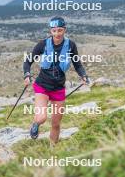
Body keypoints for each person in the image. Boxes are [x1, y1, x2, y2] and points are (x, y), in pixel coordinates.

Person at [23, 16, 90, 146]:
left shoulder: (70, 45)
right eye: (54, 31)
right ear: (50, 31)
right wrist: (27, 75)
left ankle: (52, 150)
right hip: (42, 86)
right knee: (42, 117)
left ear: (64, 30)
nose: (57, 33)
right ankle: (35, 124)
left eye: (60, 30)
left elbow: (78, 65)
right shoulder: (43, 44)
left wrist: (83, 75)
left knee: (56, 123)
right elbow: (28, 61)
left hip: (58, 88)